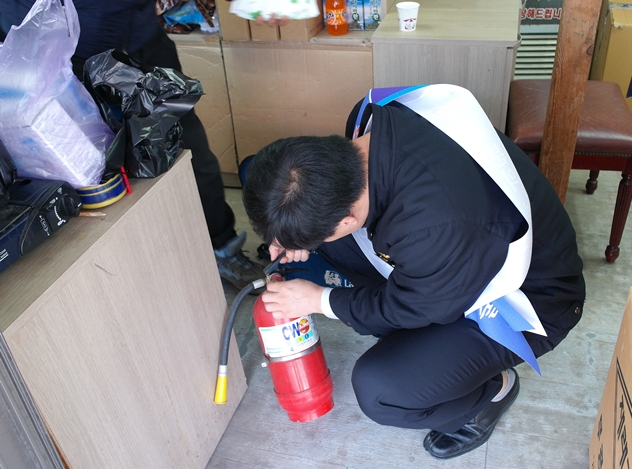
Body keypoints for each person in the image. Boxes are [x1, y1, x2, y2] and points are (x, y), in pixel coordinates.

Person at [242, 84, 585, 459]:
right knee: (266, 183)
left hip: (532, 299)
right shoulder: (371, 121)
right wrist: (289, 235)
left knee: (381, 390)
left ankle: (491, 392)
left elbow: (409, 307)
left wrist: (321, 300)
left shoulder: (436, 229)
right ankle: (424, 349)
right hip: (457, 255)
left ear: (348, 219)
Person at [0, 0, 266, 291]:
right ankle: (143, 273)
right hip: (59, 62)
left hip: (139, 41)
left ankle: (222, 246)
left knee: (190, 152)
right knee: (99, 179)